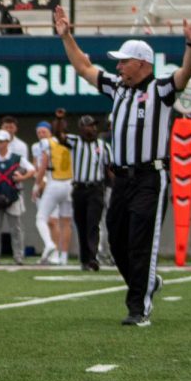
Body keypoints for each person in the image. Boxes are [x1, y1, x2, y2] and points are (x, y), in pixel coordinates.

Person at [56, 6, 191, 325]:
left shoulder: (160, 89)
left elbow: (186, 74)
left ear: (142, 63)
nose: (119, 65)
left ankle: (138, 308)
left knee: (140, 240)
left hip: (151, 175)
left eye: (124, 60)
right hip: (121, 179)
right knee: (117, 236)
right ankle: (146, 284)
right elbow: (84, 67)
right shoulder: (117, 88)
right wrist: (66, 36)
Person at [0, 129, 35, 265]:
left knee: (16, 229)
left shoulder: (17, 158)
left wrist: (22, 177)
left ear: (7, 142)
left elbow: (32, 169)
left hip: (13, 197)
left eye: (1, 142)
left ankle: (19, 257)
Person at [64, 115, 112, 271]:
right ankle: (84, 259)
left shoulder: (103, 146)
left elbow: (110, 169)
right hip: (79, 189)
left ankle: (92, 258)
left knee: (93, 223)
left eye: (94, 125)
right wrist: (59, 119)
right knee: (81, 224)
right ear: (82, 128)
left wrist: (117, 187)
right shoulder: (75, 142)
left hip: (96, 189)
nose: (93, 128)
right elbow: (59, 135)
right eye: (89, 125)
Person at [33, 113, 74, 266]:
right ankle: (63, 257)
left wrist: (37, 185)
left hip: (54, 183)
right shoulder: (72, 141)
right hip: (69, 184)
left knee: (41, 218)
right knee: (66, 222)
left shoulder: (47, 144)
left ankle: (49, 244)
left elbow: (43, 166)